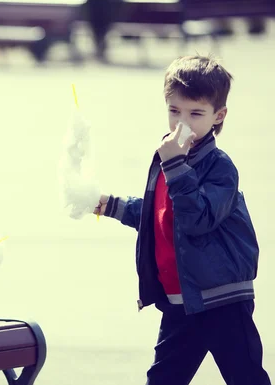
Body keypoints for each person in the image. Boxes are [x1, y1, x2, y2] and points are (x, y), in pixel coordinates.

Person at [94, 55, 271, 385]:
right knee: (163, 378)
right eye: (174, 110)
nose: (181, 122)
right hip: (182, 300)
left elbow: (196, 219)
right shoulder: (169, 159)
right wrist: (113, 206)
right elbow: (160, 216)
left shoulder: (219, 167)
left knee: (245, 376)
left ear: (219, 116)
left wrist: (175, 166)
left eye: (195, 113)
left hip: (223, 300)